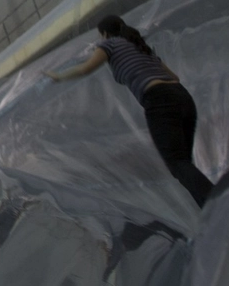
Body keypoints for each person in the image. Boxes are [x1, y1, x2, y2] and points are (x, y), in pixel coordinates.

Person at [48, 14, 214, 205]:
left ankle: (216, 199)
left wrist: (58, 76)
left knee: (177, 164)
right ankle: (210, 208)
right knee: (183, 163)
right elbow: (174, 76)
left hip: (159, 99)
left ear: (104, 33)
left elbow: (85, 69)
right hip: (183, 98)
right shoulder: (139, 45)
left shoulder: (108, 45)